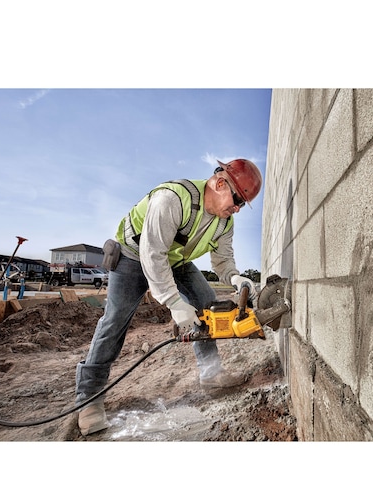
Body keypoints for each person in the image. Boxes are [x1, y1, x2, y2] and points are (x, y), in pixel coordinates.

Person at [75, 158, 262, 435]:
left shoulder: (224, 223)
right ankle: (89, 399)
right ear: (220, 183)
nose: (236, 209)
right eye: (236, 200)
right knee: (115, 320)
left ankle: (211, 373)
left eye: (241, 206)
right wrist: (173, 302)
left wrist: (234, 277)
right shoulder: (172, 199)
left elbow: (222, 261)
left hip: (175, 261)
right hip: (131, 256)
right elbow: (152, 254)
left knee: (206, 302)